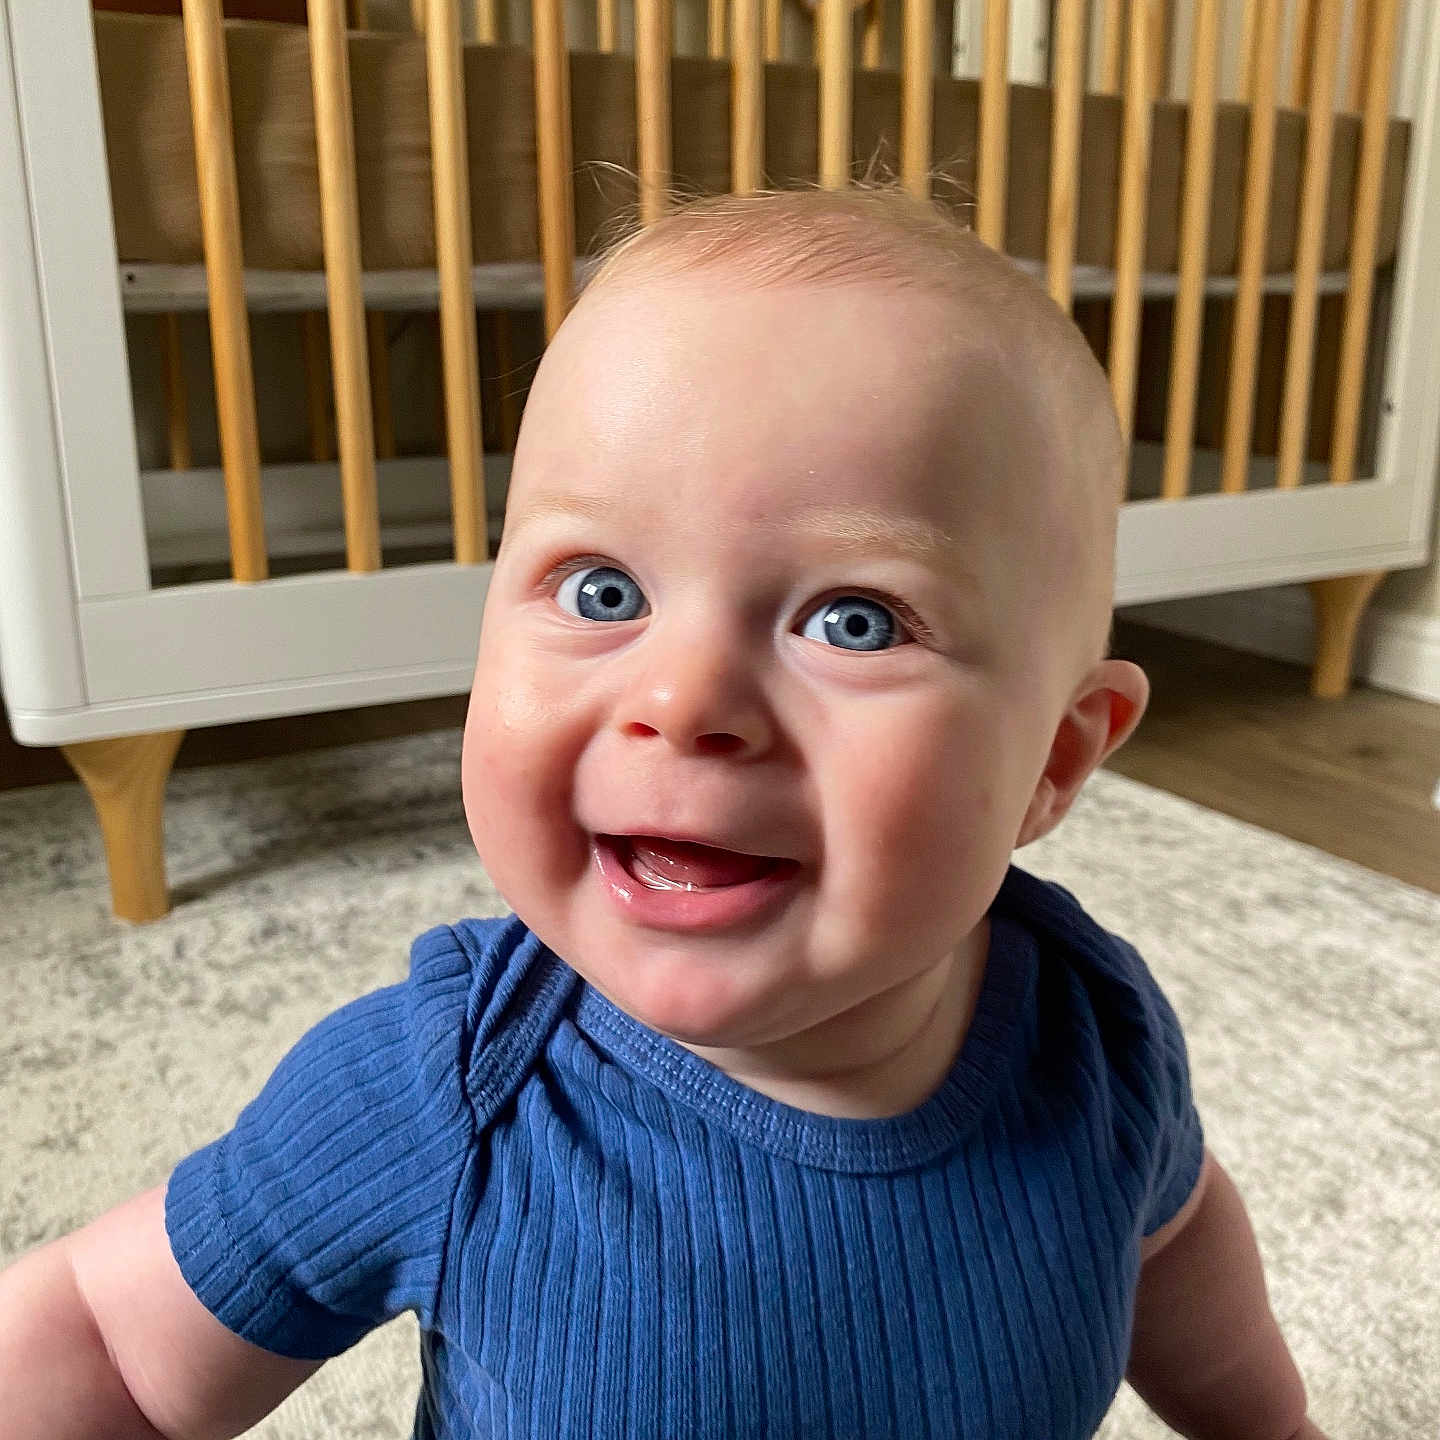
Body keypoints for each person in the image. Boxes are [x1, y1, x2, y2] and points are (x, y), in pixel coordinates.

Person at [0, 186, 1326, 1439]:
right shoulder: (450, 1085)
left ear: (1054, 757)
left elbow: (1172, 1227)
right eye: (601, 593)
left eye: (851, 620)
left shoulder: (1093, 1036)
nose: (685, 698)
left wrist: (1266, 1421)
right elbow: (113, 1343)